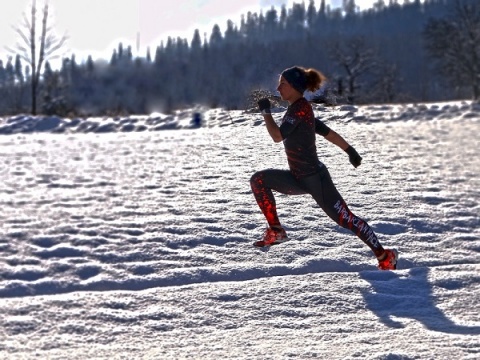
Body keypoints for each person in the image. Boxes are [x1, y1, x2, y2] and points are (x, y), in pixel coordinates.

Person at [250, 65, 398, 270]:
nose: (278, 88)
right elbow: (328, 133)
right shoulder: (297, 110)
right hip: (297, 178)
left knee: (346, 220)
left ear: (294, 86)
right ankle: (276, 230)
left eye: (282, 83)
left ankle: (385, 256)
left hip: (316, 180)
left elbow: (277, 136)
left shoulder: (301, 108)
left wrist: (266, 112)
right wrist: (350, 150)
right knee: (258, 180)